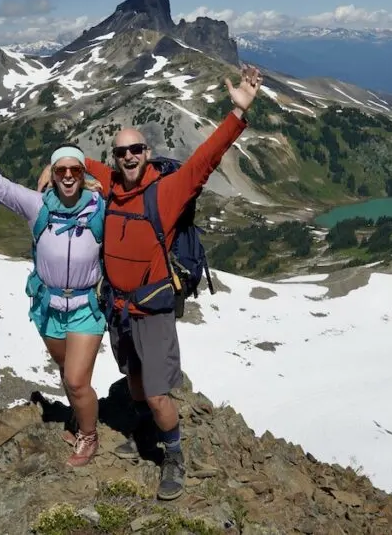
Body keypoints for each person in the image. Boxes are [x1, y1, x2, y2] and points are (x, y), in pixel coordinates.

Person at [37, 64, 263, 500]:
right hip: (118, 307)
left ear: (146, 151)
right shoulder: (110, 182)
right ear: (115, 158)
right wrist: (55, 166)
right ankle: (143, 431)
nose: (129, 158)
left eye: (136, 150)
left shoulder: (168, 190)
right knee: (135, 378)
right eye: (121, 153)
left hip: (153, 307)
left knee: (158, 393)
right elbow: (76, 164)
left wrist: (236, 114)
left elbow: (206, 159)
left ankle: (173, 455)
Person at [0, 109, 107, 468]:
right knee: (67, 374)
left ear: (83, 174)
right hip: (48, 307)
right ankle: (79, 419)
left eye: (74, 171)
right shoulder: (37, 206)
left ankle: (89, 437)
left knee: (78, 380)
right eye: (60, 170)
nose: (67, 177)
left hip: (86, 308)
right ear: (53, 174)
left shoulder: (100, 209)